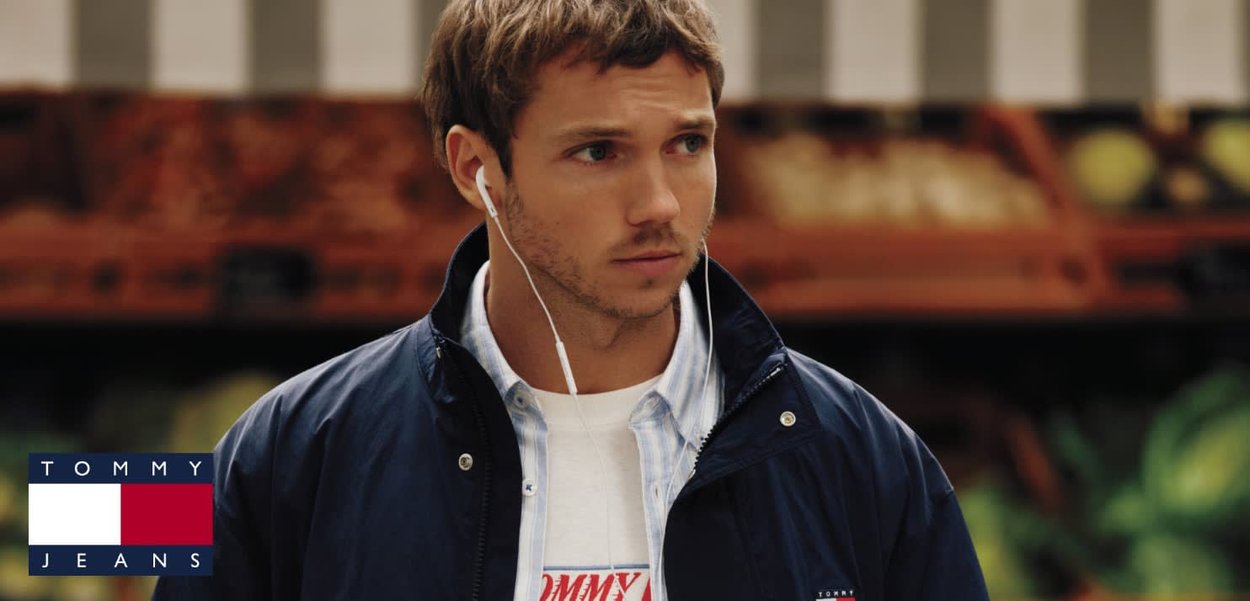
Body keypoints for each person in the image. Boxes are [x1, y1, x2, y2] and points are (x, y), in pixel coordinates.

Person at [154, 1, 988, 599]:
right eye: (599, 151)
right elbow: (87, 519)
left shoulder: (866, 459)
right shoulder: (285, 453)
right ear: (474, 168)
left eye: (688, 144)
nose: (660, 201)